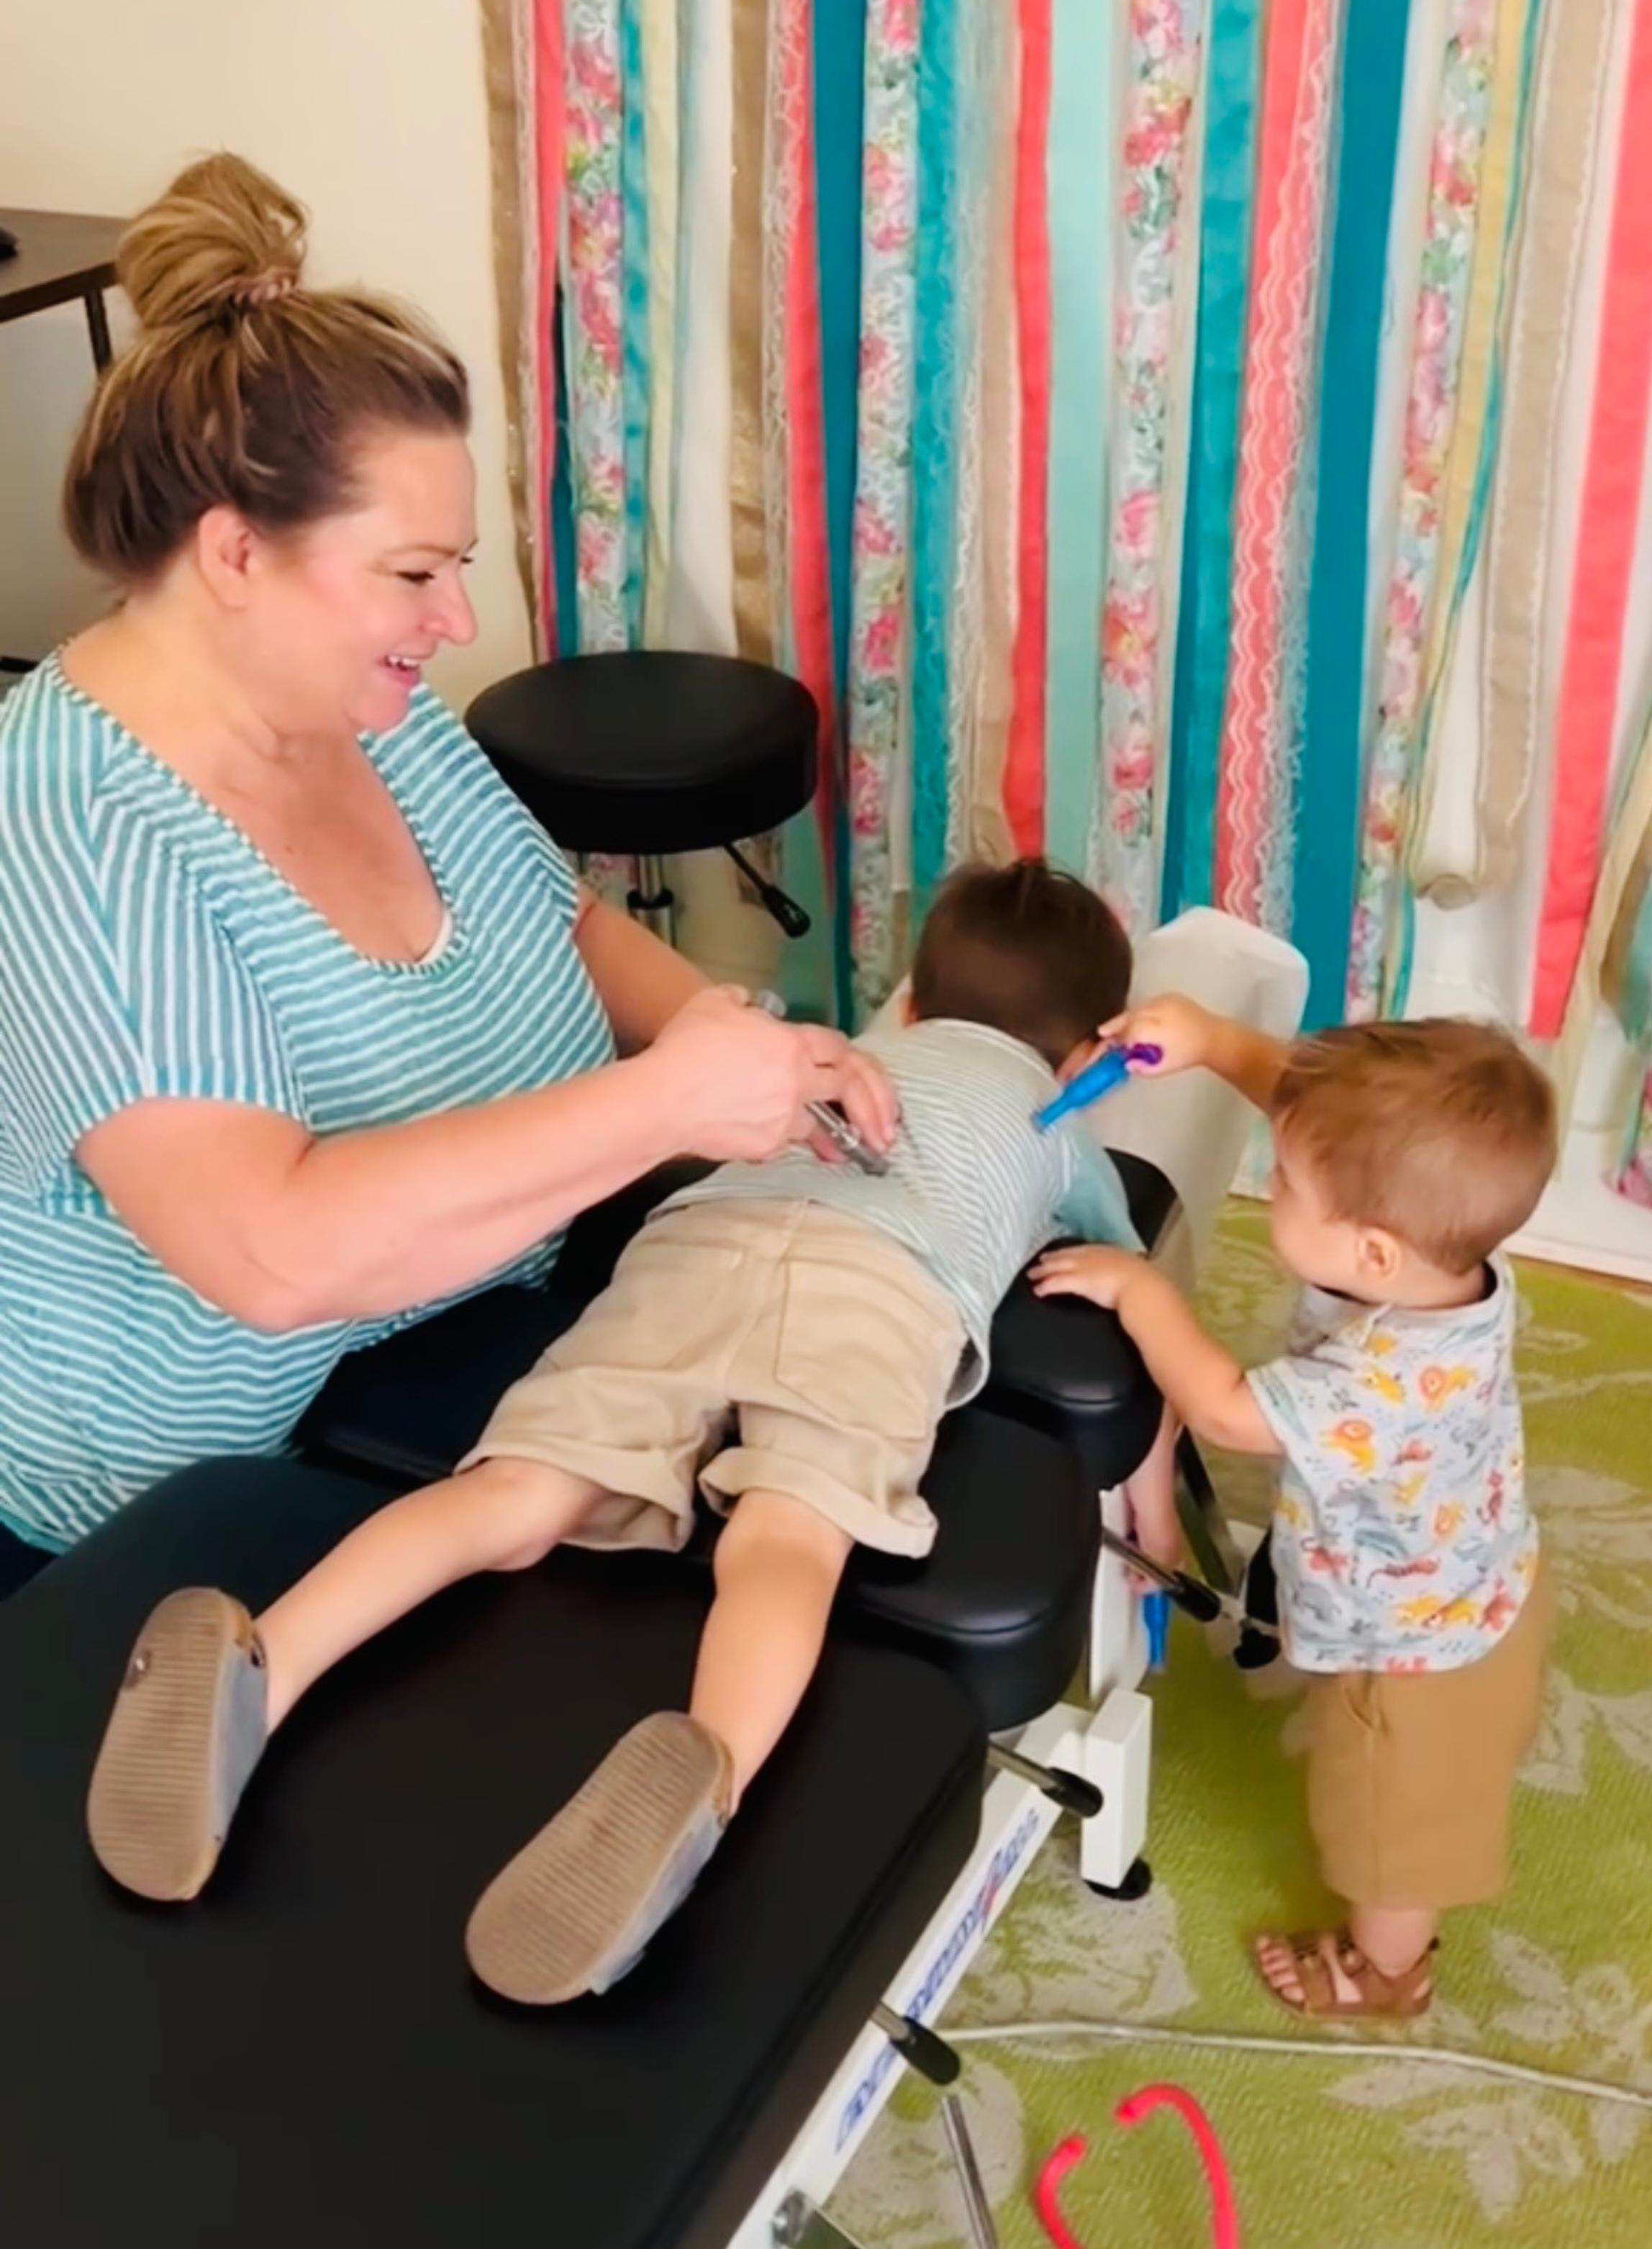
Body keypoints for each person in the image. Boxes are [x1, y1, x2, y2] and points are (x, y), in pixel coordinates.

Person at [0, 154, 890, 1583]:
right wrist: (660, 1102)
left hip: (457, 1314)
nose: (459, 617)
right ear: (235, 553)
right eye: (415, 574)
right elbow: (274, 1255)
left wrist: (736, 1041)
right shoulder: (81, 832)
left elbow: (554, 915)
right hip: (185, 1490)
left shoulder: (377, 705)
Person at [87, 861, 1183, 1999]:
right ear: (1079, 1067)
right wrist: (1145, 1469)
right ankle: (700, 1776)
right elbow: (1128, 1295)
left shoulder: (843, 1061)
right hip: (882, 1292)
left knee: (513, 1496)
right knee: (784, 1541)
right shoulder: (1061, 1135)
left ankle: (269, 1659)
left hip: (704, 1230)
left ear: (907, 1007)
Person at [1033, 1004, 1558, 2021]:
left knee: (1387, 1842)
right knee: (1403, 1795)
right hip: (1474, 1579)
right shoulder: (1445, 1251)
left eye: (1282, 1180)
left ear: (1369, 1251)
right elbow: (1326, 1122)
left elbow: (1228, 1411)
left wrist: (1142, 1293)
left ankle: (1385, 1974)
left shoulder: (1383, 1379)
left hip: (1413, 1659)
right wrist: (1214, 1042)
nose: (1273, 1174)